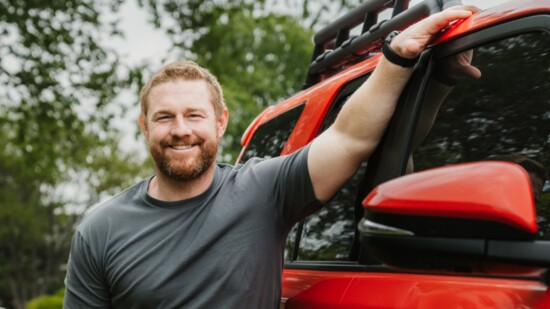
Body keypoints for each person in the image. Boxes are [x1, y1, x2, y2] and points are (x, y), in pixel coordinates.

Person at [63, 6, 477, 308]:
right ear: (144, 126)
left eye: (194, 115)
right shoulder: (101, 231)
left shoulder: (262, 191)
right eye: (165, 117)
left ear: (220, 122)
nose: (181, 130)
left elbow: (350, 138)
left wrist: (397, 56)